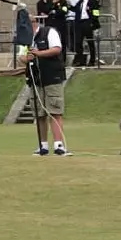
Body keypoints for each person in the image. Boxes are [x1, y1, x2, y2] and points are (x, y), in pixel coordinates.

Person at [19, 14, 70, 156]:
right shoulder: (25, 38)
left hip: (52, 77)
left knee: (55, 110)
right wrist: (26, 58)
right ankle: (43, 145)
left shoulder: (49, 32)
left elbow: (56, 49)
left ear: (32, 23)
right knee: (39, 113)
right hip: (35, 79)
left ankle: (59, 145)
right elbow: (21, 56)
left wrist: (39, 53)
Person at [72, 0, 101, 67]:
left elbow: (96, 12)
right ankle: (80, 60)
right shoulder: (80, 2)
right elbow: (75, 9)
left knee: (90, 42)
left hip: (88, 22)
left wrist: (93, 21)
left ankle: (92, 60)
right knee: (78, 42)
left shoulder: (92, 1)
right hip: (80, 23)